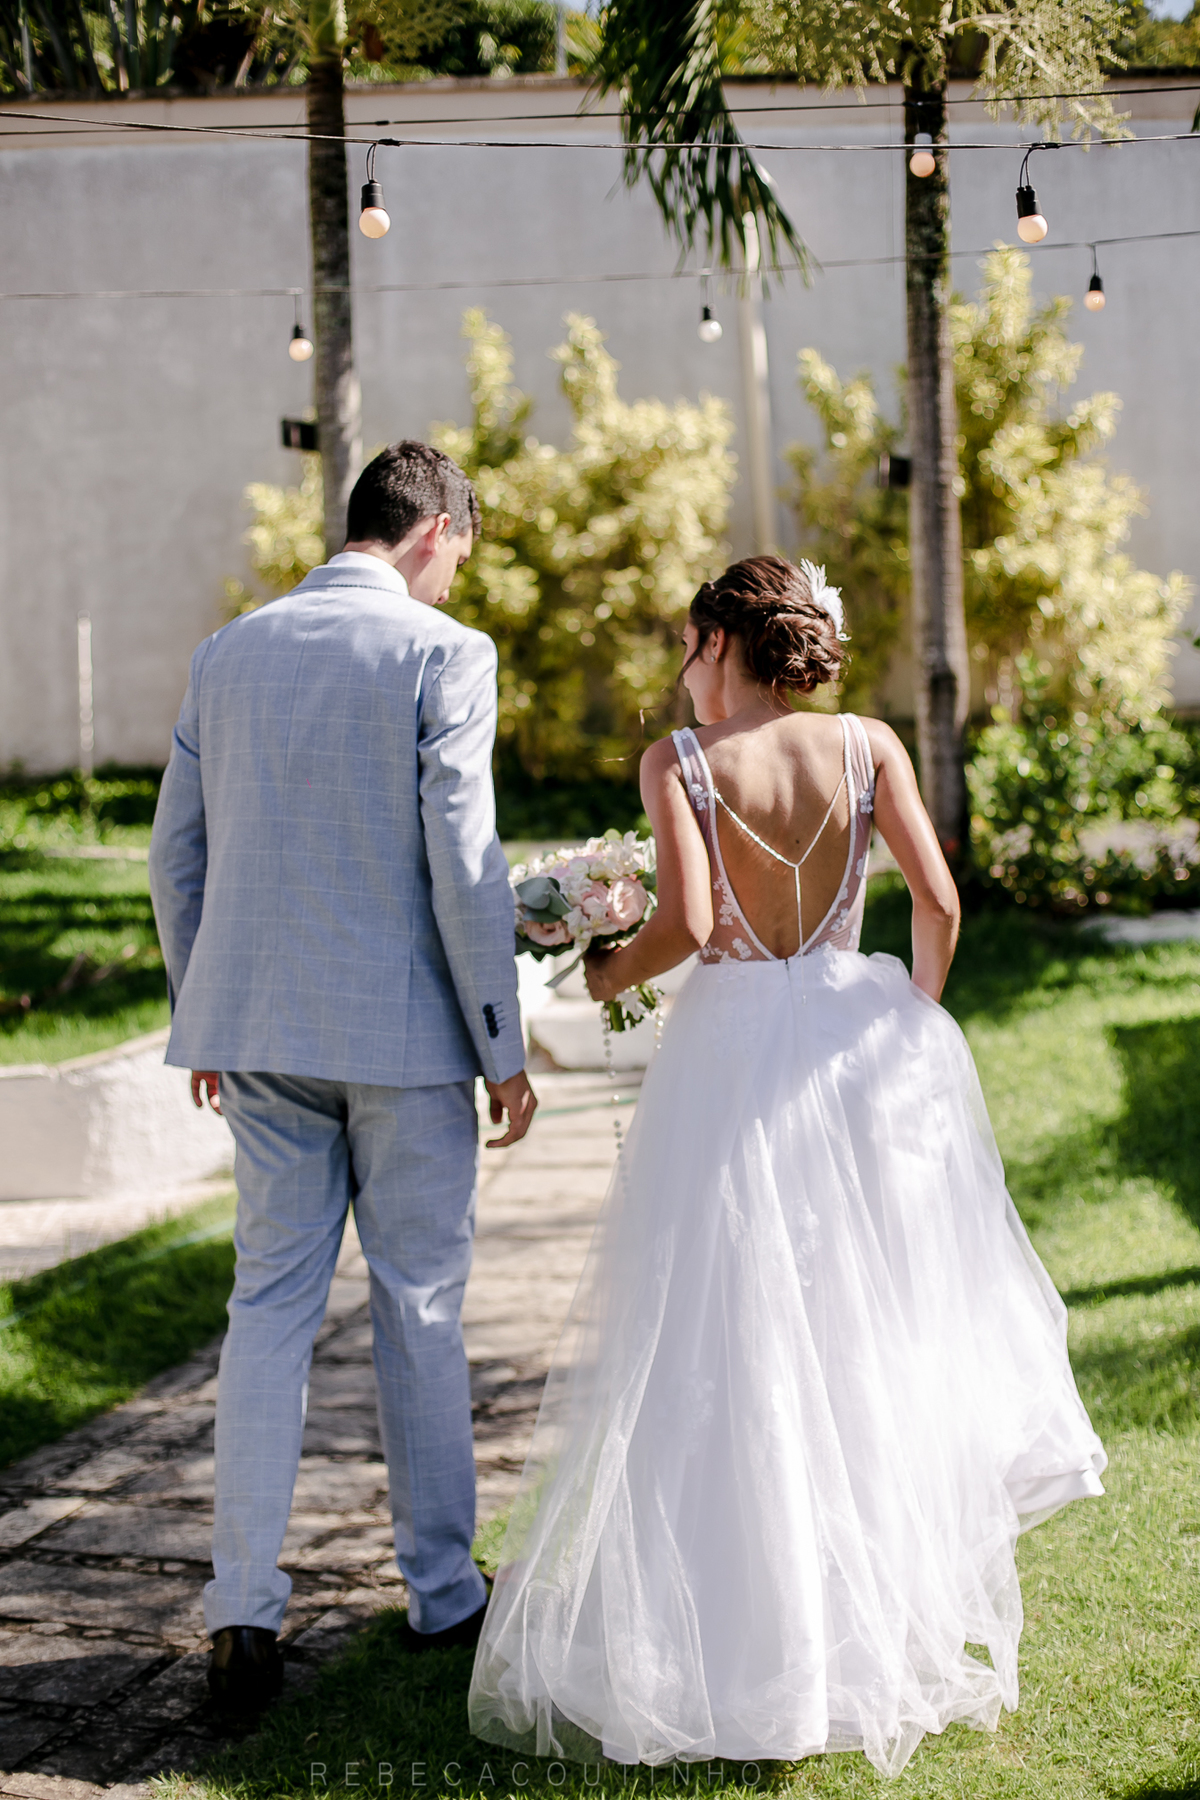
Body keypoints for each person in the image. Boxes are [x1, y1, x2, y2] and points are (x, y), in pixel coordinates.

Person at [468, 555, 1105, 1779]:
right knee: (854, 1329)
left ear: (721, 640)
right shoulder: (869, 745)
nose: (679, 673)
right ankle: (862, 1630)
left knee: (725, 1333)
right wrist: (910, 1021)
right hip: (855, 1052)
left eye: (686, 646)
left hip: (731, 1058)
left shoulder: (680, 763)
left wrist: (605, 973)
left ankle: (743, 1641)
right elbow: (938, 901)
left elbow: (693, 924)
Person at [149, 440, 536, 1714]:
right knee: (418, 1305)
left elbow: (175, 854)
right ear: (434, 533)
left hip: (261, 1039)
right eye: (460, 557)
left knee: (266, 1308)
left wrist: (204, 1010)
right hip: (408, 1045)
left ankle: (241, 1614)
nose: (455, 582)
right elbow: (465, 861)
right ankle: (442, 1591)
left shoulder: (227, 652)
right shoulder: (445, 654)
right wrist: (502, 1047)